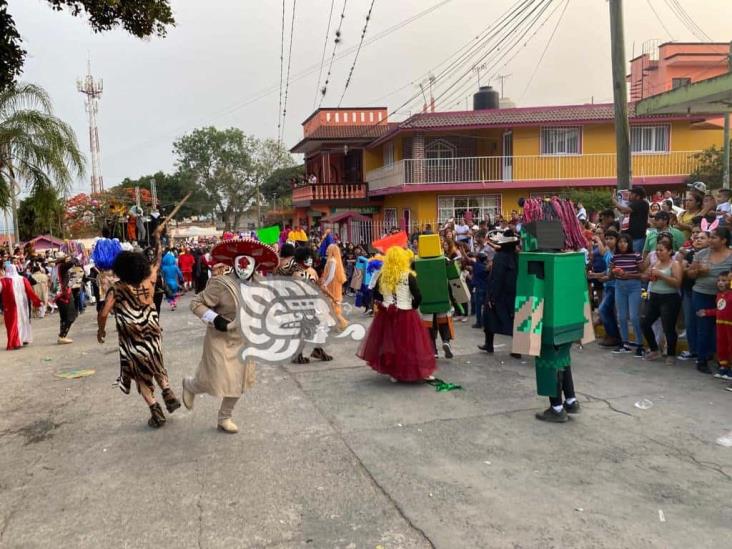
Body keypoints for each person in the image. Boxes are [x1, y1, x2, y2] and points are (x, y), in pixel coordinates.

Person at [183, 238, 279, 433]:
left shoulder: (261, 286)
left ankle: (224, 417)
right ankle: (191, 386)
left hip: (245, 341)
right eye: (241, 263)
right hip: (220, 338)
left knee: (239, 382)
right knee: (214, 378)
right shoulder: (220, 284)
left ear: (256, 266)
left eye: (248, 263)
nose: (244, 267)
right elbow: (196, 303)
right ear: (234, 264)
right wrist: (216, 319)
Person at [97, 237, 181, 429]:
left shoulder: (117, 289)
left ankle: (156, 411)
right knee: (156, 364)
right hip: (152, 333)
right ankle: (167, 392)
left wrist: (101, 331)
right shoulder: (150, 278)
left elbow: (103, 313)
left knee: (141, 375)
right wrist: (158, 238)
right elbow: (158, 260)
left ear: (121, 269)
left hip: (132, 338)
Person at [358, 246, 436, 382]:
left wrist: (385, 303)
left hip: (387, 315)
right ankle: (420, 371)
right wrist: (413, 306)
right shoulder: (409, 276)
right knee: (412, 344)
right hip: (406, 313)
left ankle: (394, 372)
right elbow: (418, 295)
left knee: (390, 344)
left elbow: (376, 294)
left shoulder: (383, 276)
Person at [686, 224, 732, 373]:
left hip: (724, 297)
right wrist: (698, 271)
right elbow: (690, 274)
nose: (710, 240)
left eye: (714, 237)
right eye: (710, 237)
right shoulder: (701, 254)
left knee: (721, 329)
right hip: (701, 293)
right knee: (703, 328)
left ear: (724, 240)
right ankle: (702, 359)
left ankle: (721, 359)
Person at [479, 230, 520, 357]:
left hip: (499, 294)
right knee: (513, 321)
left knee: (490, 318)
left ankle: (489, 344)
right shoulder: (516, 256)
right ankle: (516, 349)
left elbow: (497, 278)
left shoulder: (501, 257)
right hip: (512, 293)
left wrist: (492, 297)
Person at [640, 241, 683, 363]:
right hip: (654, 296)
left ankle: (671, 354)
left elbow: (677, 283)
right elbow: (644, 276)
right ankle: (654, 349)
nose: (658, 253)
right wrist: (648, 275)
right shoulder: (655, 263)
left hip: (669, 298)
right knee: (644, 322)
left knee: (668, 327)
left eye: (661, 250)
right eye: (657, 250)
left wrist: (661, 275)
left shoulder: (674, 264)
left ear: (669, 251)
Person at [610, 233, 644, 357]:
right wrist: (597, 275)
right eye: (620, 242)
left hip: (634, 286)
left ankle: (640, 344)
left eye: (625, 242)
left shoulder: (636, 256)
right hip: (619, 286)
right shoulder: (615, 257)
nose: (622, 244)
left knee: (634, 316)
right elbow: (610, 274)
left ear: (629, 243)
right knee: (621, 316)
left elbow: (643, 274)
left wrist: (627, 275)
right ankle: (625, 343)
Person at [696, 272, 732, 380]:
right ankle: (723, 366)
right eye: (719, 280)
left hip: (730, 325)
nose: (721, 283)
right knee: (722, 346)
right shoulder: (719, 295)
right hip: (720, 325)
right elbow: (719, 310)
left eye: (724, 280)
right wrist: (706, 312)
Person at [0, 263, 41, 350]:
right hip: (23, 305)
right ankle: (24, 339)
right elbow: (30, 291)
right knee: (23, 321)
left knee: (12, 323)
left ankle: (15, 342)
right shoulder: (23, 279)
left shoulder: (3, 281)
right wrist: (37, 301)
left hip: (10, 306)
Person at [612, 186, 649, 253]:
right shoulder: (636, 204)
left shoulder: (641, 203)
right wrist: (617, 205)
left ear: (637, 195)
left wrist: (614, 202)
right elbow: (623, 211)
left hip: (638, 237)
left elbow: (624, 210)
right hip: (632, 237)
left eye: (632, 194)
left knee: (635, 257)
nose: (630, 195)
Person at [320, 243, 348, 330]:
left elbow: (331, 275)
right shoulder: (332, 260)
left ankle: (343, 322)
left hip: (332, 285)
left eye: (328, 249)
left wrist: (325, 284)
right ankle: (340, 324)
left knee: (332, 304)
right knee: (332, 305)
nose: (327, 250)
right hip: (332, 284)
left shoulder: (332, 260)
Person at [54, 257, 78, 344]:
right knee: (71, 316)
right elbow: (73, 262)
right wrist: (75, 256)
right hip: (64, 295)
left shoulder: (56, 268)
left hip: (59, 295)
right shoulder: (62, 267)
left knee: (63, 317)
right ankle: (62, 336)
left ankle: (62, 335)